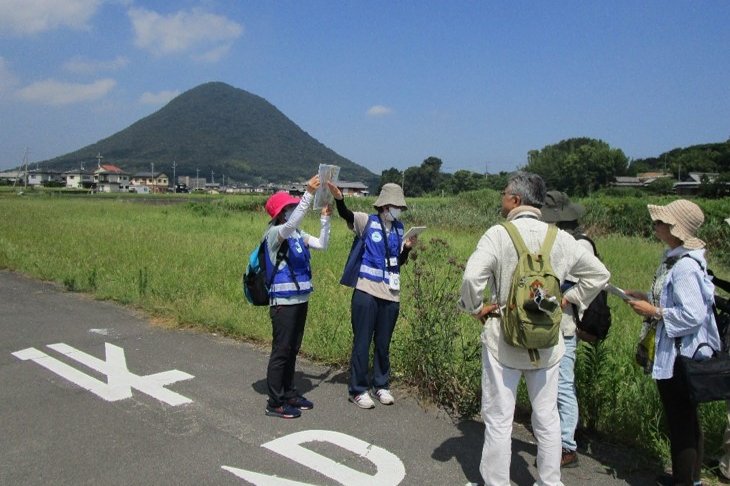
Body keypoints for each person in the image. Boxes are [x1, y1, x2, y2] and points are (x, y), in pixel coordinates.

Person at [458, 172, 610, 486]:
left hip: (504, 339)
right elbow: (599, 274)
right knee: (547, 416)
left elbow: (472, 279)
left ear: (515, 199)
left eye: (504, 194)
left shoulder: (498, 234)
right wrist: (570, 298)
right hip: (549, 341)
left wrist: (474, 309)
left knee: (500, 419)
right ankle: (550, 481)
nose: (502, 199)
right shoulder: (562, 238)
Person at [625, 199, 720, 486]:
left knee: (681, 421)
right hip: (680, 350)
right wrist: (647, 297)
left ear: (674, 229)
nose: (655, 226)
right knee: (686, 419)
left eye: (660, 222)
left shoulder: (685, 267)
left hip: (681, 354)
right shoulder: (676, 259)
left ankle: (684, 481)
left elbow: (692, 314)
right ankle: (691, 480)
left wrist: (653, 311)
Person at [326, 181, 418, 409]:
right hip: (366, 291)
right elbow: (345, 213)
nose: (398, 211)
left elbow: (399, 262)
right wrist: (339, 198)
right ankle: (357, 389)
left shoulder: (399, 228)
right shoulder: (367, 221)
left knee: (383, 343)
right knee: (362, 342)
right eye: (396, 206)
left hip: (391, 294)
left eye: (400, 207)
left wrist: (406, 248)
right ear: (385, 205)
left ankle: (381, 385)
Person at [263, 175, 331, 419]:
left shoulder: (297, 234)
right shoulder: (275, 234)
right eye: (289, 207)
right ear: (281, 213)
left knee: (292, 349)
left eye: (294, 205)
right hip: (283, 303)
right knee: (281, 351)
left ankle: (289, 392)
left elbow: (322, 244)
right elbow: (290, 225)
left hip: (301, 300)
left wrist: (325, 218)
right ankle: (275, 401)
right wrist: (308, 195)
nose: (293, 208)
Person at [541, 190, 596, 469]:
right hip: (549, 321)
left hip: (565, 323)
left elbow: (590, 280)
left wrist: (566, 296)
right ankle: (556, 439)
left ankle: (567, 446)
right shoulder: (559, 239)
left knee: (562, 384)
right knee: (551, 383)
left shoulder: (579, 244)